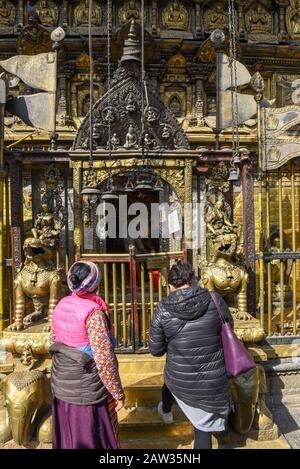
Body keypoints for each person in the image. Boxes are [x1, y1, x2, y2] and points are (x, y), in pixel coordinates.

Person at [149, 260, 233, 449]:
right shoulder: (214, 299)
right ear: (194, 280)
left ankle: (166, 410)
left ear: (170, 285)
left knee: (171, 379)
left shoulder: (162, 309)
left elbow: (156, 350)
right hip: (213, 377)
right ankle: (166, 409)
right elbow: (228, 326)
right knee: (202, 422)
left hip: (181, 378)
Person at [49, 261, 125, 449]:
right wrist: (117, 392)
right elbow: (104, 358)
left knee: (68, 436)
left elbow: (53, 340)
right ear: (95, 284)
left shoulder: (61, 305)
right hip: (86, 392)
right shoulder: (93, 313)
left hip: (62, 385)